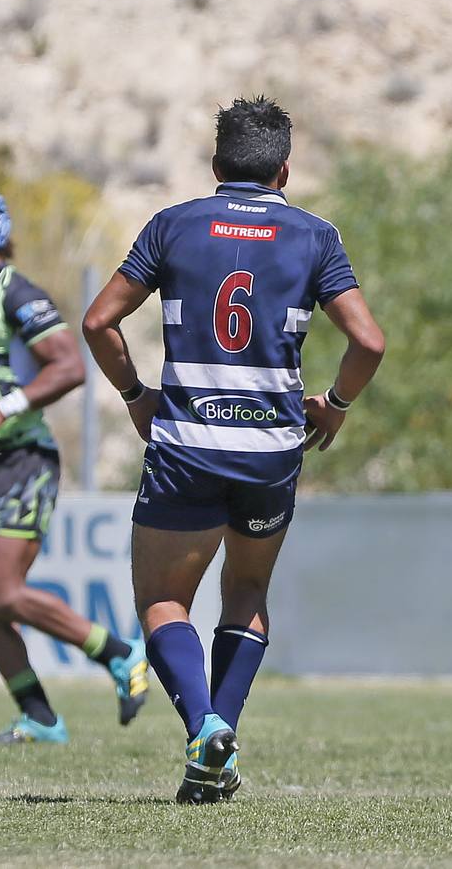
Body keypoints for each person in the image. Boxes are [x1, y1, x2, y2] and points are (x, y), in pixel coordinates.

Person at [82, 96, 386, 803]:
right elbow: (368, 341)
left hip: (188, 441)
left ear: (216, 165)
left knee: (162, 600)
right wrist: (334, 408)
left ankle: (204, 727)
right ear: (285, 170)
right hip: (272, 447)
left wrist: (135, 396)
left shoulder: (173, 225)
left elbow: (99, 321)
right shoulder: (315, 235)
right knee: (246, 593)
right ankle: (214, 754)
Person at [0, 192, 149, 744]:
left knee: (4, 594)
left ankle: (120, 652)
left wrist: (6, 407)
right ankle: (39, 716)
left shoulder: (15, 292)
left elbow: (69, 365)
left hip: (20, 460)